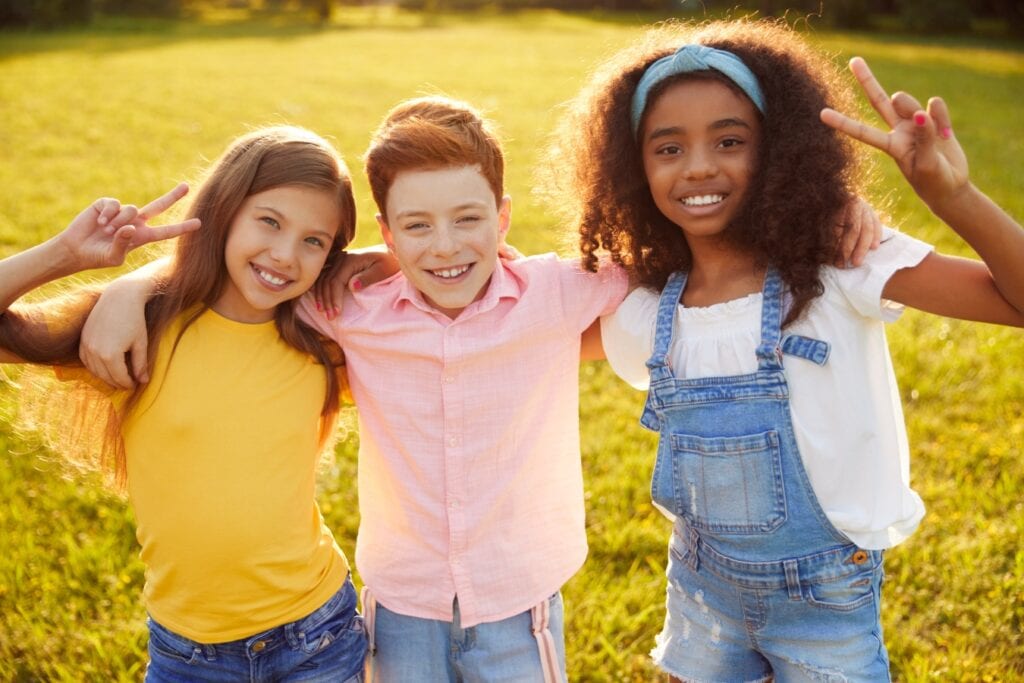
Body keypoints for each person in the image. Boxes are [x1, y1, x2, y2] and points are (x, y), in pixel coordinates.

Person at [79, 96, 878, 680]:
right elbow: (250, 267)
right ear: (384, 237)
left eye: (469, 219)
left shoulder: (558, 291)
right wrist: (135, 286)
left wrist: (831, 207)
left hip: (516, 598)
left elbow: (697, 236)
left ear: (502, 217)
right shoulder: (350, 304)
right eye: (417, 226)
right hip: (401, 602)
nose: (447, 246)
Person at [545, 19, 1024, 681]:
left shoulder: (840, 261)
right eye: (668, 148)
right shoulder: (644, 305)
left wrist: (954, 197)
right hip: (702, 596)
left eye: (730, 140)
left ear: (778, 149)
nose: (701, 166)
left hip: (826, 603)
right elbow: (510, 335)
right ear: (634, 168)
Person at [0, 126, 369, 682]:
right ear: (223, 211)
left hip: (319, 634)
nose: (285, 255)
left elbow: (422, 264)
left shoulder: (325, 339)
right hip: (190, 657)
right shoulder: (139, 328)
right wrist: (68, 256)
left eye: (314, 241)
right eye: (268, 221)